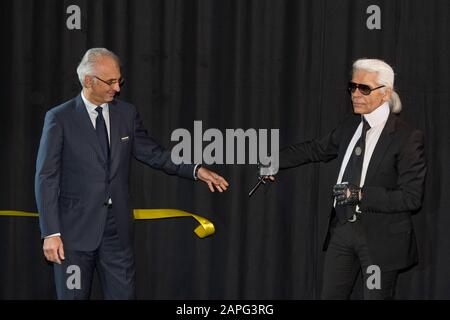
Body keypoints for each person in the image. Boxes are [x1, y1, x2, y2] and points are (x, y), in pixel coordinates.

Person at [35, 48, 229, 299]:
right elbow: (46, 177)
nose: (117, 88)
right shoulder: (59, 118)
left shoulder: (126, 114)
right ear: (87, 81)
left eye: (119, 80)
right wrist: (51, 233)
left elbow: (154, 153)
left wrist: (195, 170)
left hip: (118, 233)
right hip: (74, 235)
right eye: (111, 82)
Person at [268, 59, 426, 299]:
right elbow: (316, 149)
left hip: (380, 241)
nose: (355, 94)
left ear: (386, 94)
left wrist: (360, 194)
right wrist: (274, 161)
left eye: (364, 88)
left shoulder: (407, 137)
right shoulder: (350, 124)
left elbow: (411, 197)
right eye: (352, 87)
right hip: (343, 231)